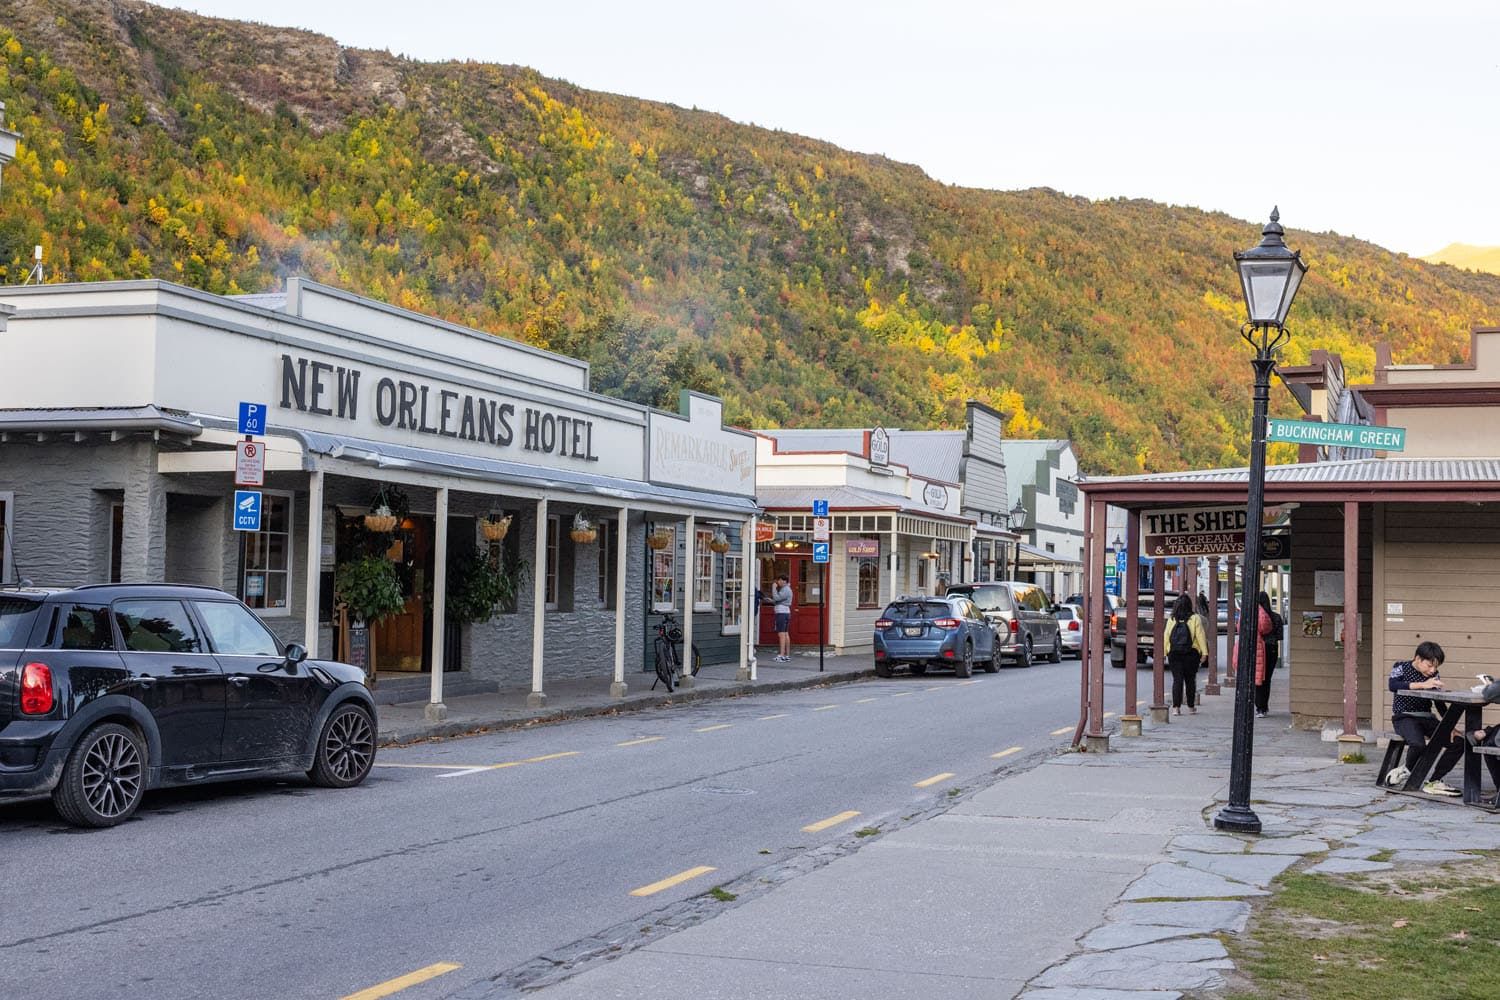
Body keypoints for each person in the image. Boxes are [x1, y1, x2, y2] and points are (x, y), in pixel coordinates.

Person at [1386, 641, 1463, 796]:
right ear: (1418, 658)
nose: (1433, 670)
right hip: (1404, 717)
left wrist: (1450, 726)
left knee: (1459, 742)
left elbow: (1439, 703)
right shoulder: (1400, 666)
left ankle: (1434, 781)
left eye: (1436, 666)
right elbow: (1393, 685)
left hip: (1427, 718)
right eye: (1429, 665)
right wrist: (1423, 685)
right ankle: (1407, 770)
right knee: (1418, 744)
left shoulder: (1433, 675)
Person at [1166, 593, 1208, 715]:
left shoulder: (1172, 619)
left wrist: (1166, 651)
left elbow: (1166, 636)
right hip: (1191, 654)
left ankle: (1176, 708)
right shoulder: (1195, 618)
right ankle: (1190, 707)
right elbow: (1200, 636)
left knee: (1177, 680)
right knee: (1190, 680)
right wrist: (1204, 653)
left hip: (1174, 654)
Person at [1254, 592, 1285, 717]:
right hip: (1272, 649)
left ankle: (1259, 707)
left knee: (1258, 678)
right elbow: (1280, 636)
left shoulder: (1255, 617)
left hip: (1259, 648)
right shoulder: (1276, 617)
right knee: (1267, 679)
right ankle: (1264, 707)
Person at [770, 574, 793, 662]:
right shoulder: (786, 589)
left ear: (784, 581)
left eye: (779, 580)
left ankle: (781, 655)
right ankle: (787, 655)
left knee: (781, 634)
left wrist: (773, 588)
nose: (778, 582)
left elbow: (776, 597)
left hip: (781, 612)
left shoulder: (786, 589)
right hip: (785, 612)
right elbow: (779, 599)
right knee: (786, 633)